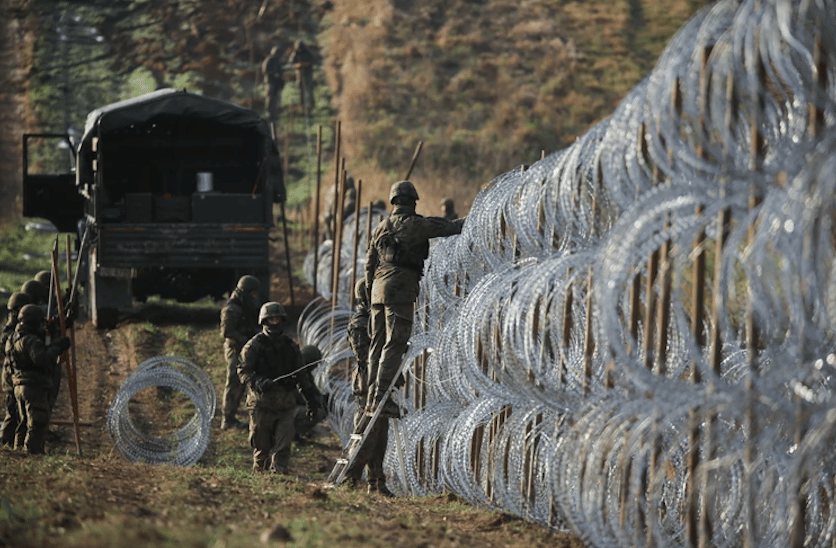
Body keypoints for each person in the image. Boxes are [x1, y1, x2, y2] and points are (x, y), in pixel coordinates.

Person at [361, 180, 465, 494]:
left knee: (378, 343)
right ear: (413, 202)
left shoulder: (381, 227)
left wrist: (369, 295)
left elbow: (369, 264)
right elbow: (448, 228)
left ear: (393, 201)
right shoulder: (418, 225)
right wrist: (478, 217)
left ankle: (373, 388)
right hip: (402, 287)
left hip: (378, 288)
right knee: (396, 342)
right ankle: (380, 394)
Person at [238, 302, 324, 474]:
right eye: (271, 319)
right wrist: (258, 382)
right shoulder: (253, 346)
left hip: (285, 404)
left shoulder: (290, 347)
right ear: (264, 321)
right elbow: (243, 371)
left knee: (283, 447)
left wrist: (311, 401)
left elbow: (302, 376)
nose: (274, 322)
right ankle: (260, 479)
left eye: (277, 319)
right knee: (261, 449)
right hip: (261, 404)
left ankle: (279, 477)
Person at [343, 279, 391, 495]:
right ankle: (349, 479)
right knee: (365, 437)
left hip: (380, 382)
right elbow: (364, 354)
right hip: (367, 384)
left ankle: (377, 483)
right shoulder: (360, 322)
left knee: (380, 439)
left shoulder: (378, 320)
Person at [7, 304, 71, 454]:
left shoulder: (15, 337)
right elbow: (42, 358)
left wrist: (55, 325)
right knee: (38, 422)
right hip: (32, 387)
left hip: (20, 385)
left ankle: (19, 453)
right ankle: (32, 453)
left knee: (23, 424)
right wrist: (58, 346)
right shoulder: (30, 341)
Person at [219, 275, 262, 430]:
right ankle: (228, 419)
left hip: (246, 348)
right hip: (235, 348)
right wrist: (247, 339)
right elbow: (227, 332)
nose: (254, 297)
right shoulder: (231, 308)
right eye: (253, 293)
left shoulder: (246, 304)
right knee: (234, 382)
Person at [0, 292, 33, 446]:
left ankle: (11, 442)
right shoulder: (11, 331)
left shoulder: (14, 326)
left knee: (16, 414)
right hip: (11, 377)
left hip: (14, 377)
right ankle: (4, 442)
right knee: (12, 413)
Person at [293, 344, 327, 440]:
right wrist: (318, 401)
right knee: (317, 413)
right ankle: (290, 434)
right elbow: (301, 397)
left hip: (290, 408)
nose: (316, 366)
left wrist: (322, 399)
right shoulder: (297, 373)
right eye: (315, 363)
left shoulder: (306, 374)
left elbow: (313, 392)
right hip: (286, 410)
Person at [322, 176, 356, 240]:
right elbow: (330, 205)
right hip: (335, 214)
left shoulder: (349, 191)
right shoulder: (336, 190)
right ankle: (331, 240)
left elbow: (349, 205)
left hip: (342, 215)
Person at [289, 39, 316, 113]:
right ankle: (302, 105)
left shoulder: (308, 53)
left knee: (310, 89)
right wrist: (297, 65)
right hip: (300, 74)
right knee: (301, 90)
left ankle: (312, 105)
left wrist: (307, 64)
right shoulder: (295, 54)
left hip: (308, 73)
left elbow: (313, 60)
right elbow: (291, 63)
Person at [262, 45, 285, 121]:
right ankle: (269, 113)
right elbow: (265, 70)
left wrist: (280, 76)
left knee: (276, 98)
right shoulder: (269, 60)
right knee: (270, 98)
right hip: (270, 81)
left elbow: (281, 70)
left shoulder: (278, 61)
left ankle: (274, 113)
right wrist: (273, 74)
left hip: (276, 82)